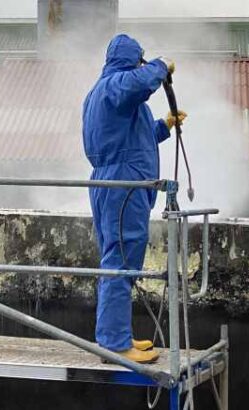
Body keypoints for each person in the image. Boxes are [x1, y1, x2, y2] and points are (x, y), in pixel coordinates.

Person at [82, 34, 186, 363]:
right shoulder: (115, 85)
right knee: (120, 261)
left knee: (120, 259)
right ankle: (114, 343)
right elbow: (139, 82)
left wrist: (164, 126)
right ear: (131, 60)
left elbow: (132, 139)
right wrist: (159, 65)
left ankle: (117, 335)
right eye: (140, 60)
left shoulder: (105, 94)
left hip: (116, 181)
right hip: (124, 185)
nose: (143, 66)